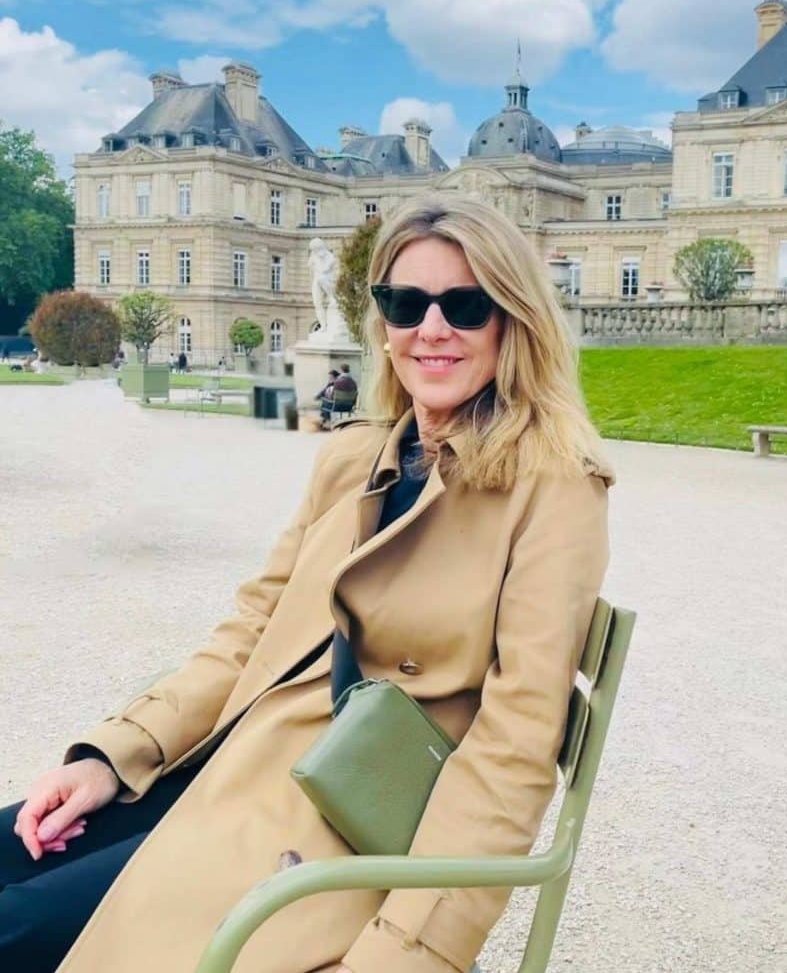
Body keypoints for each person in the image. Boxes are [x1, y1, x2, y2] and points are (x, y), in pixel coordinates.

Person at [1, 195, 614, 973]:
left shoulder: (553, 488)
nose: (430, 329)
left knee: (15, 929)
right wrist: (113, 755)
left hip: (329, 827)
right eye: (404, 303)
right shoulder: (355, 456)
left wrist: (403, 955)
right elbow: (250, 632)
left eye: (464, 305)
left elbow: (512, 753)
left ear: (513, 320)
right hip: (229, 765)